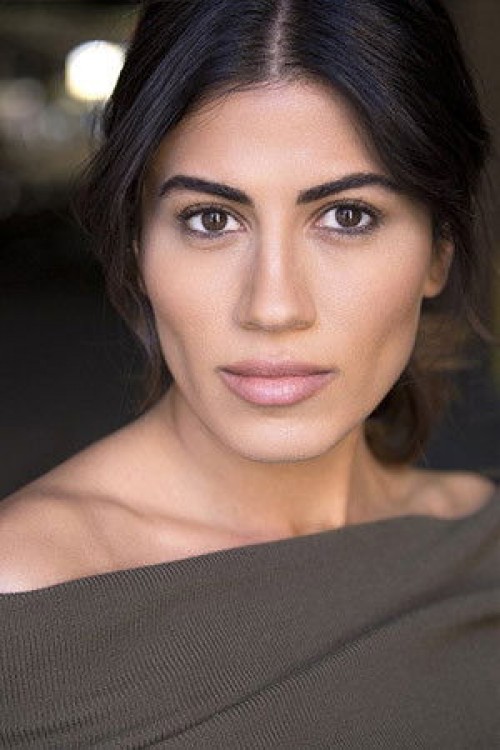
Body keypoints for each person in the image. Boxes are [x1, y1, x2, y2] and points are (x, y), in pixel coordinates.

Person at [0, 0, 499, 746]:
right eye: (211, 219)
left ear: (439, 250)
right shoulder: (24, 599)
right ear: (136, 245)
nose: (273, 306)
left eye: (348, 216)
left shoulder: (482, 547)